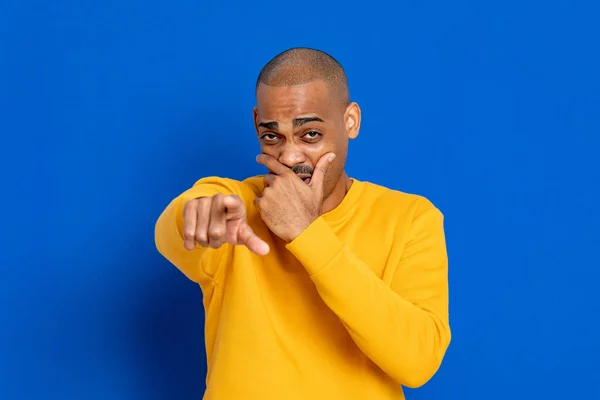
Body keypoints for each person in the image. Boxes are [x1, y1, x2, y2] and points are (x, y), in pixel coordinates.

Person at [154, 47, 451, 400]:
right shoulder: (237, 207)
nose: (290, 157)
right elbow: (175, 229)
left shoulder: (410, 217)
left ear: (350, 121)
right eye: (272, 137)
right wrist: (195, 213)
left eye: (309, 134)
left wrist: (308, 235)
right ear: (256, 125)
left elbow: (417, 362)